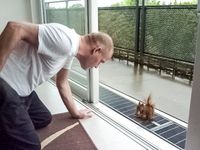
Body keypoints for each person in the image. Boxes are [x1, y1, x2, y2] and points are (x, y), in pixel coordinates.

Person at [0, 21, 114, 150]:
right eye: (101, 61)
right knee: (31, 146)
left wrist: (75, 112)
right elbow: (15, 27)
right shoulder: (66, 41)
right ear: (97, 51)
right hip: (5, 84)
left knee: (43, 118)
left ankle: (9, 122)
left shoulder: (71, 52)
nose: (97, 66)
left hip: (23, 91)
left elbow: (62, 82)